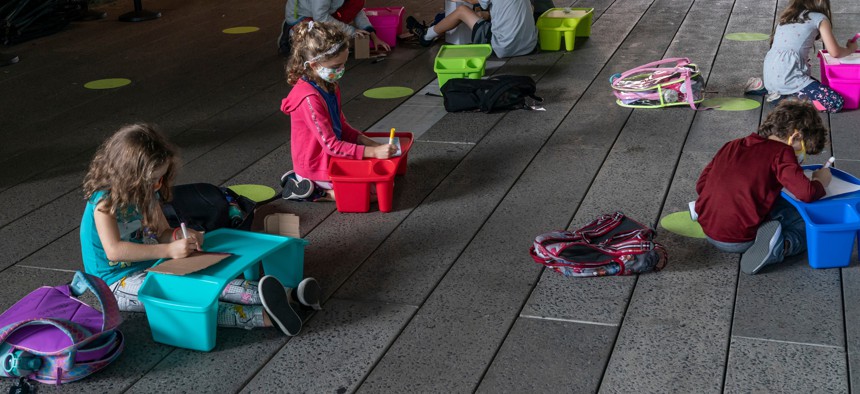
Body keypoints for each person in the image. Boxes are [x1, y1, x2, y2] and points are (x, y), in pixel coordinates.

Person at [80, 123, 321, 335]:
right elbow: (115, 251)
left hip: (152, 265)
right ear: (128, 175)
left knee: (209, 279)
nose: (157, 185)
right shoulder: (104, 202)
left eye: (161, 178)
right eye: (152, 180)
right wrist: (169, 250)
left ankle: (289, 295)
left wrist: (180, 236)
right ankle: (266, 318)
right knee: (192, 298)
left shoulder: (147, 193)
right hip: (114, 284)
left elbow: (163, 231)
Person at [695, 99, 831, 275]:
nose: (801, 155)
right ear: (795, 136)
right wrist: (821, 181)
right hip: (740, 238)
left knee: (769, 201)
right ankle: (781, 247)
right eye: (802, 148)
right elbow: (807, 193)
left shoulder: (733, 144)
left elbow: (701, 185)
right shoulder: (783, 152)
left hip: (708, 229)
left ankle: (764, 232)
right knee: (807, 224)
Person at [280, 21, 396, 201]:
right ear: (314, 65)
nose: (340, 71)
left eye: (343, 64)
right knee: (373, 194)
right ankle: (314, 191)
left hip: (330, 158)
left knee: (385, 179)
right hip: (318, 165)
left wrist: (368, 142)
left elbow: (341, 125)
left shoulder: (329, 85)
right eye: (335, 67)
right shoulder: (309, 99)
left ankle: (303, 181)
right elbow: (331, 145)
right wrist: (373, 152)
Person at [745, 0, 856, 113]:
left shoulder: (787, 17)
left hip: (771, 75)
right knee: (835, 102)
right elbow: (835, 52)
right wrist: (851, 49)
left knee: (810, 85)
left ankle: (766, 89)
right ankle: (784, 100)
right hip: (789, 78)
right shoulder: (820, 18)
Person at [406, 0, 537, 58]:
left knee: (462, 11)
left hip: (504, 47)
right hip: (529, 45)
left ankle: (426, 36)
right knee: (481, 15)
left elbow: (473, 1)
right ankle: (436, 30)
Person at [278, 0, 391, 57]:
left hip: (325, 12)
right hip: (301, 15)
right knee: (315, 51)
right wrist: (351, 31)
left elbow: (356, 10)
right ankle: (291, 30)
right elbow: (320, 17)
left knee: (334, 46)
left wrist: (373, 35)